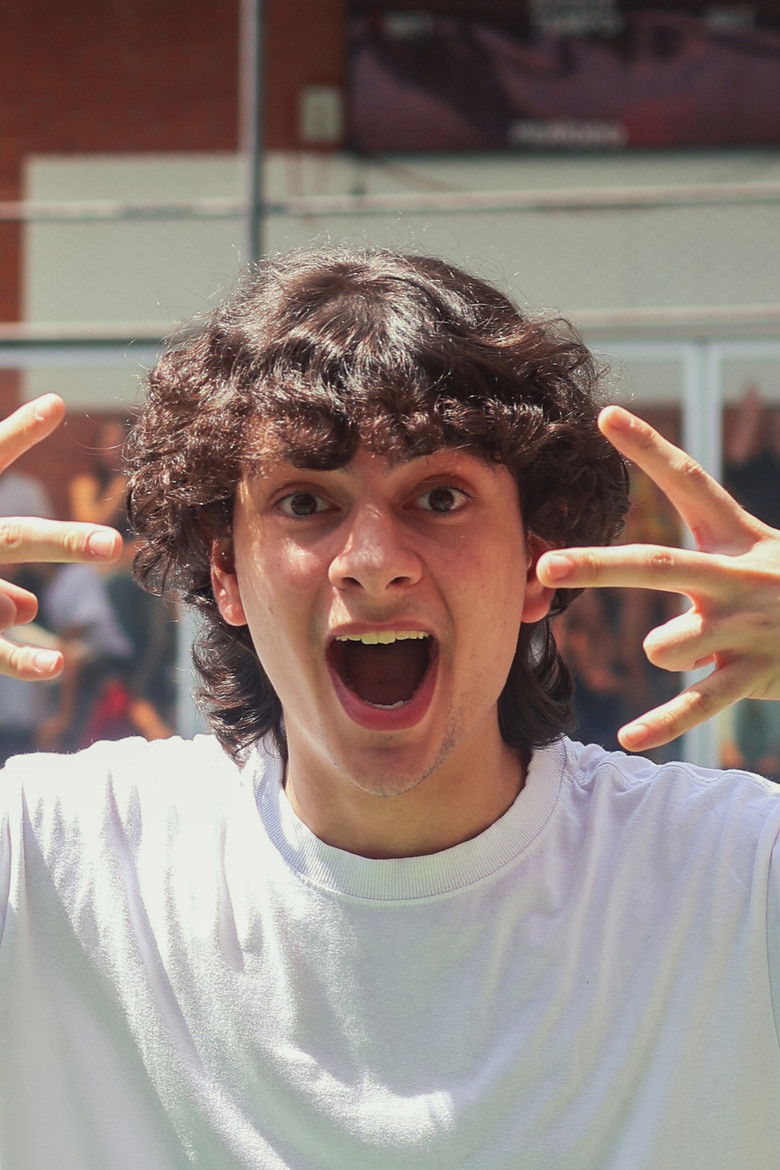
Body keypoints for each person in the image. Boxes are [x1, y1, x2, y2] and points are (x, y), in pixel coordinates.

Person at [0, 247, 779, 1170]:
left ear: (538, 557)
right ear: (226, 570)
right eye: (304, 502)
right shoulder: (55, 867)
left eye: (439, 498)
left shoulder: (731, 879)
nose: (372, 561)